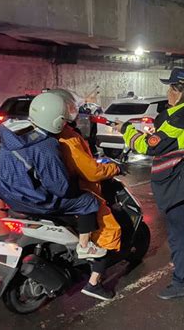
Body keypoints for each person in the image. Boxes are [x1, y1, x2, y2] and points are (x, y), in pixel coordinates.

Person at [115, 68, 184, 299]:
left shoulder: (177, 120)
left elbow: (147, 146)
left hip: (180, 182)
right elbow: (170, 139)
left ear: (179, 92)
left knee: (178, 234)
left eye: (170, 88)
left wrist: (126, 130)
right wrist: (156, 132)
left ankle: (182, 283)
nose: (167, 92)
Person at [0, 92, 106, 259]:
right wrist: (74, 183)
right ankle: (85, 246)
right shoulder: (46, 146)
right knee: (88, 201)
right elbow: (60, 187)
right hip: (29, 199)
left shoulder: (14, 131)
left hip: (3, 192)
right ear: (57, 121)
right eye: (64, 120)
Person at [50, 88, 122, 301]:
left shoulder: (51, 134)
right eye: (72, 107)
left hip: (58, 193)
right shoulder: (68, 138)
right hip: (83, 191)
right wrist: (114, 168)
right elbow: (91, 172)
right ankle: (93, 283)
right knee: (110, 231)